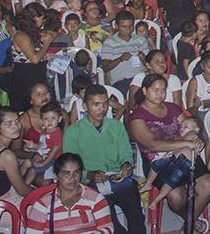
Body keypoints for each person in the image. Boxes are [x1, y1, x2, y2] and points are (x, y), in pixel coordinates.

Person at [126, 73, 210, 231]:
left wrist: (195, 138)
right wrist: (185, 142)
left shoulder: (172, 108)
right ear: (145, 91)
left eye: (163, 90)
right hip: (159, 161)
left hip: (186, 154)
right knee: (176, 196)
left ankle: (187, 227)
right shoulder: (137, 117)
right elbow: (153, 145)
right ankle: (192, 221)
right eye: (156, 90)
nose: (160, 94)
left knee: (207, 185)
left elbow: (190, 126)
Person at [61, 84, 146, 233]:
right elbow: (69, 169)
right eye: (96, 104)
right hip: (91, 183)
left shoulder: (116, 127)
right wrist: (90, 174)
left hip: (117, 177)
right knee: (108, 219)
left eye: (105, 103)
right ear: (85, 106)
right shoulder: (73, 132)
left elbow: (126, 153)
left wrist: (126, 165)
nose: (102, 108)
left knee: (136, 214)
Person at [23, 152, 113, 233]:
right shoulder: (43, 205)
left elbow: (107, 228)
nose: (73, 178)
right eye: (66, 173)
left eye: (76, 173)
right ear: (56, 176)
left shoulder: (95, 199)